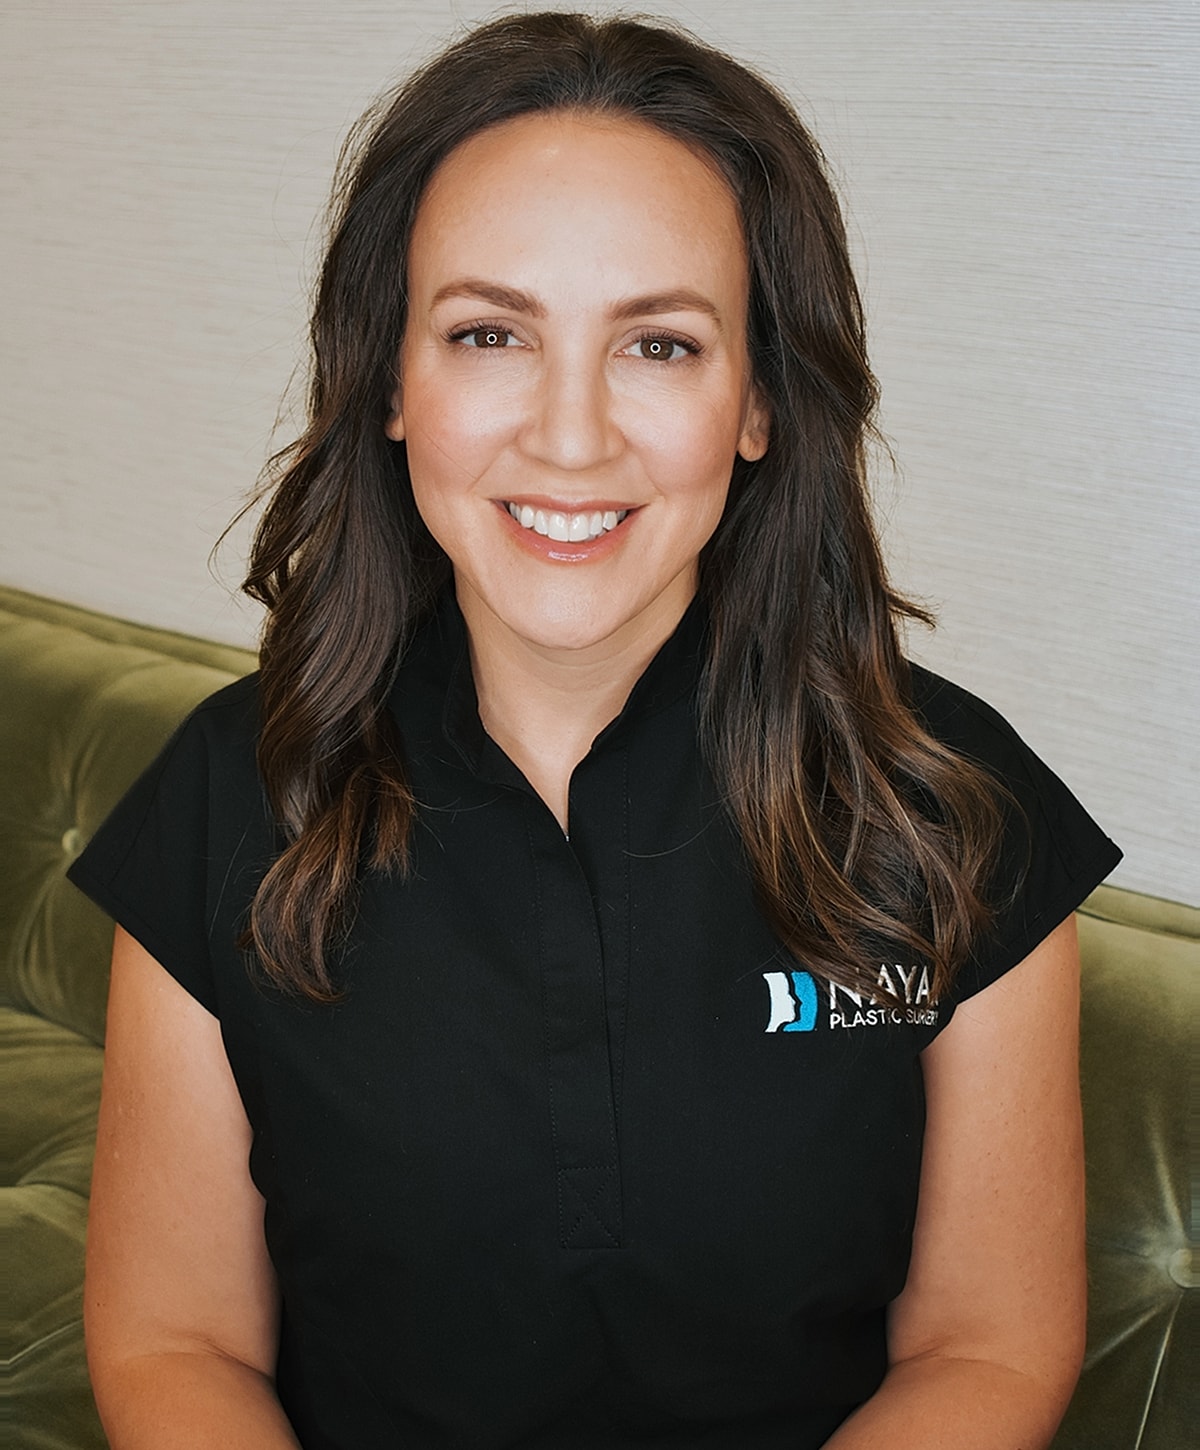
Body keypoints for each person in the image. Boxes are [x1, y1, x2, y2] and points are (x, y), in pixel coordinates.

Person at [68, 11, 1122, 1449]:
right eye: (490, 333)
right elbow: (172, 1337)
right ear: (391, 382)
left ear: (757, 401)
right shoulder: (228, 788)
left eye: (661, 344)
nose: (571, 437)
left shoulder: (952, 801)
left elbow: (989, 1347)